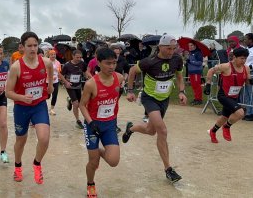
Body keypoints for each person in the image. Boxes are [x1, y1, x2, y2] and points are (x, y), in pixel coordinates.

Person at [122, 35, 187, 183]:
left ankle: (131, 129)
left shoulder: (177, 60)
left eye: (173, 48)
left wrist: (182, 92)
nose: (171, 51)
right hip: (149, 98)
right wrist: (130, 90)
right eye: (168, 48)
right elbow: (132, 71)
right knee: (162, 131)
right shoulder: (148, 62)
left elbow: (179, 77)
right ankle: (168, 169)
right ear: (160, 47)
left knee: (151, 131)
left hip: (164, 99)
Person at [5, 31, 53, 184]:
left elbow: (51, 74)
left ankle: (37, 164)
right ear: (22, 47)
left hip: (39, 105)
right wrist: (21, 97)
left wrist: (50, 86)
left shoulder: (46, 62)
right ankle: (18, 166)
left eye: (35, 45)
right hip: (21, 108)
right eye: (29, 46)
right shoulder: (16, 67)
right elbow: (8, 92)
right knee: (21, 140)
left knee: (44, 138)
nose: (32, 49)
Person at [79, 48, 123, 197]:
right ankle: (90, 184)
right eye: (107, 63)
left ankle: (96, 150)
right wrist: (91, 123)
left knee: (113, 161)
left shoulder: (119, 78)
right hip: (93, 125)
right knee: (93, 162)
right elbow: (82, 105)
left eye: (114, 63)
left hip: (110, 124)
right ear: (98, 63)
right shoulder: (91, 84)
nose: (111, 66)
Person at [204, 47, 251, 142]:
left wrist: (250, 81)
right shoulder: (226, 66)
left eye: (245, 58)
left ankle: (212, 131)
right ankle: (226, 127)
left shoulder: (246, 68)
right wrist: (208, 84)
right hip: (223, 95)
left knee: (224, 117)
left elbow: (247, 82)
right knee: (240, 113)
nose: (244, 61)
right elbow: (211, 70)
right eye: (241, 58)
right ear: (234, 57)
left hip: (234, 96)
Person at [60, 49, 88, 128]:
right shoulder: (67, 65)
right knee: (76, 104)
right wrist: (66, 82)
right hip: (70, 86)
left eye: (80, 57)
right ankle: (78, 121)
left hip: (78, 86)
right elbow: (61, 75)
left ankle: (70, 100)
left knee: (81, 104)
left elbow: (85, 72)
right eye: (77, 57)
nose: (79, 59)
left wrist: (88, 79)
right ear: (73, 56)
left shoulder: (82, 64)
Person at [48, 50, 61, 115]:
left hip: (55, 81)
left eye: (54, 54)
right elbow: (44, 71)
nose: (53, 56)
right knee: (47, 96)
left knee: (55, 95)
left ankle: (52, 109)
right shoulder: (47, 62)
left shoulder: (58, 62)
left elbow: (59, 71)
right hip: (47, 81)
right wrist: (49, 77)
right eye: (52, 54)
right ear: (49, 55)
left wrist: (57, 76)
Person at [243, 33, 253, 121]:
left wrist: (250, 67)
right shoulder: (246, 50)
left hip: (251, 73)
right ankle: (248, 111)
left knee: (251, 93)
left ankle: (251, 113)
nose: (245, 40)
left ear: (251, 40)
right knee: (246, 93)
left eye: (246, 39)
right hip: (245, 73)